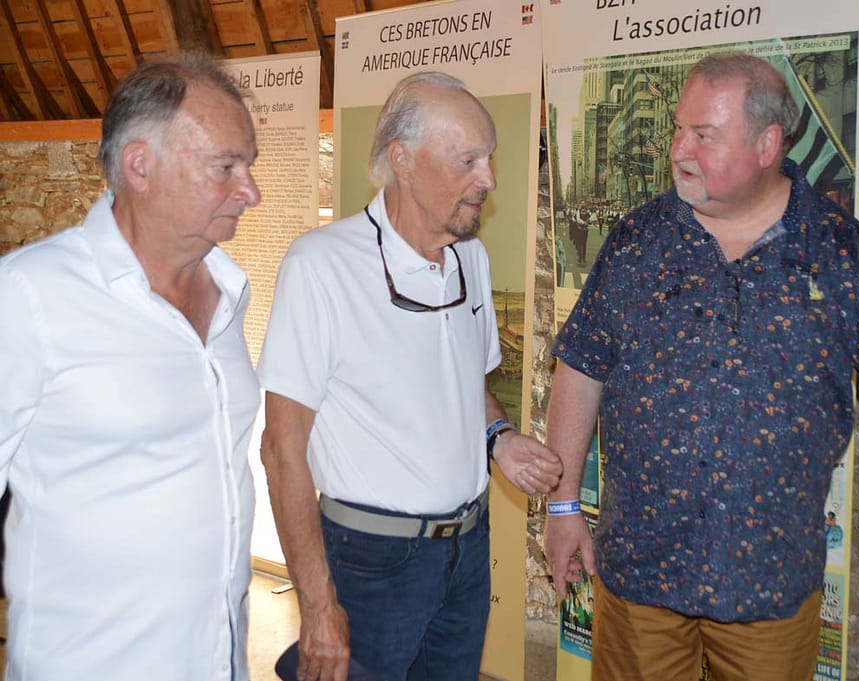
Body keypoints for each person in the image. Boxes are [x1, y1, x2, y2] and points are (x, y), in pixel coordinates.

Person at [542, 53, 859, 681]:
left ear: (768, 143)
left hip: (767, 584)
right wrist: (562, 507)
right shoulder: (639, 241)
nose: (680, 149)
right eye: (678, 130)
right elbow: (582, 368)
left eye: (704, 135)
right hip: (641, 573)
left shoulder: (836, 248)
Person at [258, 71, 562, 681]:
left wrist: (498, 439)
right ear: (402, 159)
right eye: (468, 160)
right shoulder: (321, 266)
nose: (489, 179)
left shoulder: (470, 259)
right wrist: (317, 606)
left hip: (467, 552)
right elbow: (281, 448)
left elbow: (465, 384)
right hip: (371, 562)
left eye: (490, 158)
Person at [0, 53, 262, 680]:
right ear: (140, 165)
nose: (251, 191)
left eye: (248, 167)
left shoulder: (230, 292)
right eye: (226, 167)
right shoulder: (30, 295)